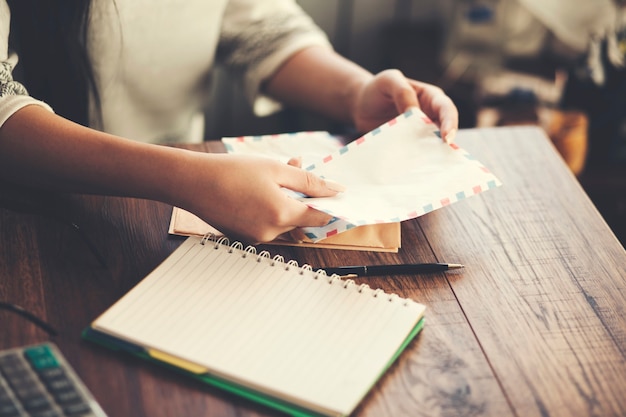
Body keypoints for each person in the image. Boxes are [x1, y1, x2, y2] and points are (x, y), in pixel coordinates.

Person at [0, 0, 458, 244]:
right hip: (26, 226)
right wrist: (188, 177)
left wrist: (356, 92)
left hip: (176, 210)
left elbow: (260, 30)